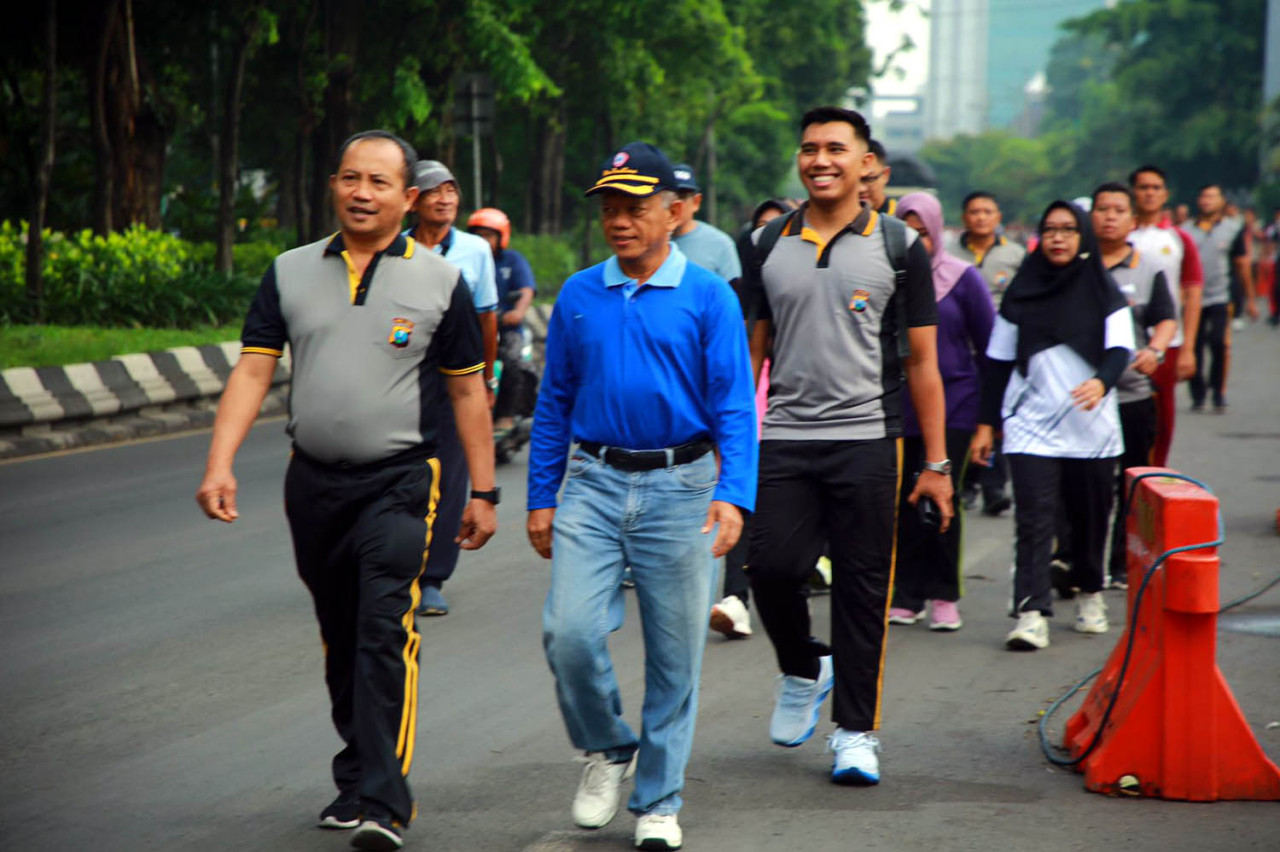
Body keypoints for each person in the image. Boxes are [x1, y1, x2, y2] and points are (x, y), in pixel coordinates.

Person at [195, 130, 497, 851]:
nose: (363, 193)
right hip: (313, 485)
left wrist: (482, 490)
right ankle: (357, 772)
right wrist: (219, 462)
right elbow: (253, 371)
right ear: (334, 185)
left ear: (408, 198)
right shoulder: (290, 271)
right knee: (339, 632)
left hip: (401, 481)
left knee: (383, 630)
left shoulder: (439, 281)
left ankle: (385, 801)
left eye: (379, 182)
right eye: (351, 179)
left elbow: (466, 393)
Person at [526, 141, 757, 851]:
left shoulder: (709, 296)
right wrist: (541, 493)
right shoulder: (579, 294)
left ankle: (659, 798)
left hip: (683, 486)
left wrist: (733, 494)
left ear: (673, 212)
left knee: (675, 655)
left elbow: (734, 405)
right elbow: (553, 400)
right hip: (593, 484)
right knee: (568, 632)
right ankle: (607, 747)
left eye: (635, 208)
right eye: (610, 209)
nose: (620, 221)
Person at [740, 106, 952, 786]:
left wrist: (938, 465)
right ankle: (804, 667)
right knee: (770, 568)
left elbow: (923, 363)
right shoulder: (769, 243)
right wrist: (734, 445)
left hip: (868, 440)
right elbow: (751, 356)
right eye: (809, 148)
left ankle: (856, 733)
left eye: (836, 148)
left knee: (862, 592)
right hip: (784, 438)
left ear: (868, 165)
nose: (820, 160)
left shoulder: (897, 246)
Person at [971, 200, 1134, 652]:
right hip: (1031, 427)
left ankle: (1090, 591)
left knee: (1089, 518)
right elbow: (998, 362)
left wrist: (1102, 382)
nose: (1059, 237)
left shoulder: (1104, 291)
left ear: (1082, 236)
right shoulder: (1022, 293)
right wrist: (986, 426)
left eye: (1068, 229)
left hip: (1092, 428)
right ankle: (1030, 611)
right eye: (1050, 230)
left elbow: (1121, 350)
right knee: (1034, 520)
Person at [887, 192, 995, 632]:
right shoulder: (884, 278)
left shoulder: (963, 278)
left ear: (936, 233)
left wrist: (988, 422)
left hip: (956, 407)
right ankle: (907, 594)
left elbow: (991, 350)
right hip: (898, 407)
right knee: (903, 503)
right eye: (905, 232)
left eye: (922, 233)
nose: (915, 241)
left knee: (942, 497)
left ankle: (944, 594)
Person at [710, 197, 804, 641]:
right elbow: (743, 357)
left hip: (804, 416)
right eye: (760, 231)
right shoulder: (736, 299)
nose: (767, 239)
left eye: (778, 228)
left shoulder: (808, 285)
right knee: (739, 499)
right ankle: (735, 598)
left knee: (782, 525)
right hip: (753, 407)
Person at [409, 160, 500, 616]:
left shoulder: (474, 251)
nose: (444, 199)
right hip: (403, 380)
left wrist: (487, 379)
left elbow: (487, 318)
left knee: (449, 477)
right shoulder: (394, 249)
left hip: (457, 379)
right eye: (433, 191)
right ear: (412, 200)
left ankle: (433, 577)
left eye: (451, 189)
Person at [1091, 182, 1178, 589]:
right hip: (1083, 397)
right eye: (1102, 208)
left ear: (1132, 219)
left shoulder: (1148, 268)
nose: (1109, 216)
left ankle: (1123, 562)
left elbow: (1165, 317)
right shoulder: (1076, 264)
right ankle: (1080, 561)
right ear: (1089, 216)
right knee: (1085, 484)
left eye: (1118, 210)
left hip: (1131, 392)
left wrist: (1156, 349)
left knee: (1130, 482)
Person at [952, 191, 1026, 516]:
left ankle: (995, 487)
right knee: (964, 415)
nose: (980, 217)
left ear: (998, 218)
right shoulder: (949, 253)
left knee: (996, 416)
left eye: (987, 211)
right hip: (959, 349)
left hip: (1000, 351)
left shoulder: (1016, 255)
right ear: (964, 217)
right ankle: (965, 483)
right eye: (974, 211)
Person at [1128, 164, 1204, 466]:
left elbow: (1192, 293)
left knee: (1162, 421)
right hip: (1125, 343)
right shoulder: (1119, 235)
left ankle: (1154, 481)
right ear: (1133, 192)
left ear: (1165, 194)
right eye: (1143, 187)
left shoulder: (1178, 239)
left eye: (1155, 187)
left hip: (1167, 344)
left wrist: (1188, 349)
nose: (1149, 193)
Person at [466, 207, 537, 436]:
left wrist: (517, 311)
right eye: (478, 235)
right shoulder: (467, 261)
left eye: (488, 235)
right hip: (474, 327)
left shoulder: (512, 260)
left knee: (513, 360)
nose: (483, 240)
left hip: (506, 327)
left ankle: (506, 414)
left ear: (501, 236)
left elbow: (526, 290)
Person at [1184, 184, 1253, 413]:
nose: (1207, 200)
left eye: (1212, 196)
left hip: (1221, 296)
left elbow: (1242, 265)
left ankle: (1218, 391)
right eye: (1203, 196)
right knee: (1194, 346)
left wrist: (1250, 299)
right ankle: (1198, 394)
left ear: (1222, 201)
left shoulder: (1233, 229)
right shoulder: (1185, 231)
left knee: (1219, 343)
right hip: (1192, 299)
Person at [670, 162, 742, 284]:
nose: (676, 204)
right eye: (671, 198)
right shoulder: (649, 243)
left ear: (696, 202)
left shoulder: (721, 244)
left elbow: (733, 295)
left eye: (682, 197)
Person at [860, 139, 895, 216]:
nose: (860, 188)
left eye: (868, 179)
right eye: (854, 180)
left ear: (886, 174)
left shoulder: (903, 219)